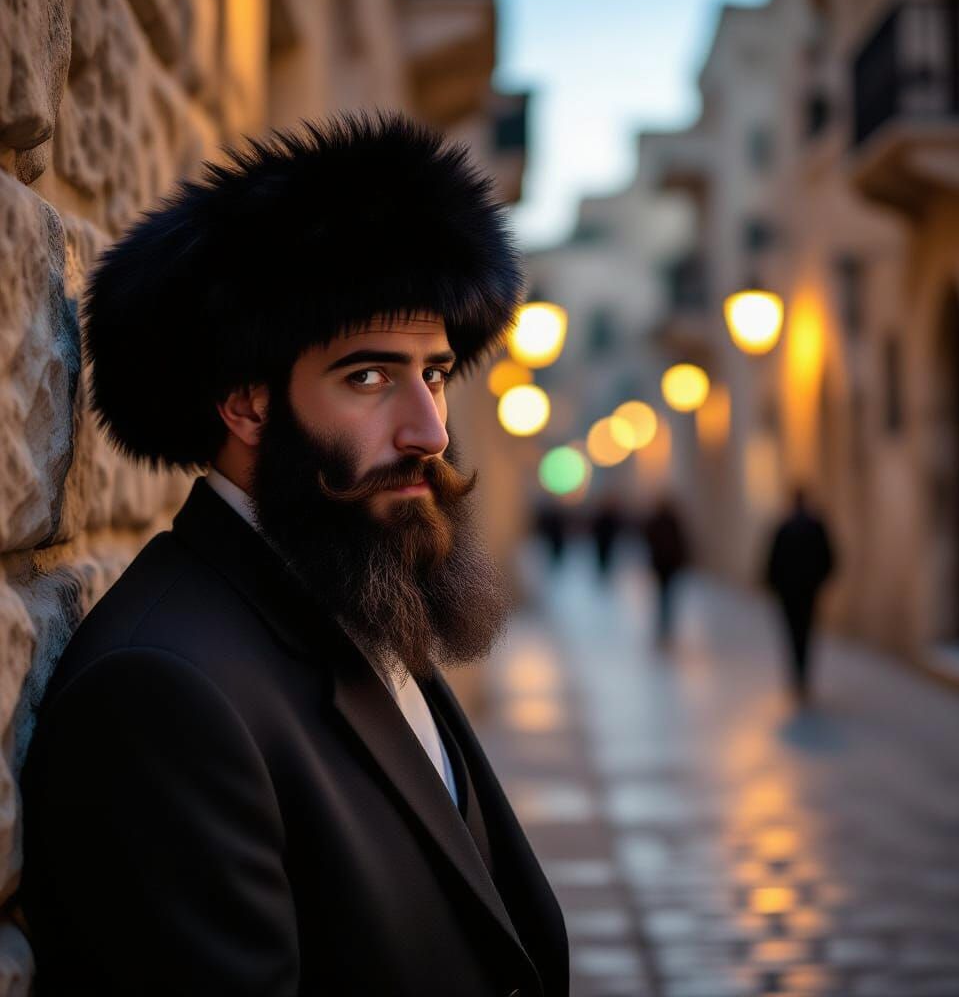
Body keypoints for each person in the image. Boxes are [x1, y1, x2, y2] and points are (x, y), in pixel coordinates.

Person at [19, 113, 568, 997]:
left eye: (432, 373)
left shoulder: (360, 582)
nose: (430, 429)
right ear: (247, 406)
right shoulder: (161, 697)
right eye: (369, 377)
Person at [765, 487, 836, 705]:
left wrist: (775, 585)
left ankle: (798, 674)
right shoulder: (815, 527)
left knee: (793, 632)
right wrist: (817, 582)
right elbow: (829, 559)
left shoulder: (784, 527)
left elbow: (771, 562)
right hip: (807, 591)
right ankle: (802, 674)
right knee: (805, 632)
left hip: (790, 592)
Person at [641, 493, 691, 649]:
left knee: (664, 594)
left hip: (663, 564)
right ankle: (664, 622)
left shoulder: (663, 521)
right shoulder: (671, 521)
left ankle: (664, 623)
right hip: (666, 564)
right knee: (665, 594)